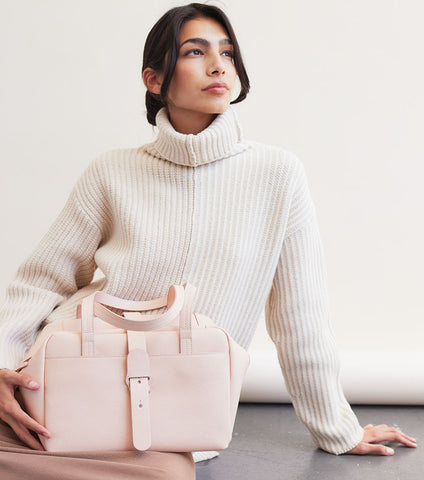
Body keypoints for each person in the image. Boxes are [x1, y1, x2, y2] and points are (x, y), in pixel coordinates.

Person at [0, 2, 417, 478]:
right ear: (154, 80)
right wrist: (3, 365)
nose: (219, 65)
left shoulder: (277, 175)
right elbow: (40, 282)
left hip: (182, 414)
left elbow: (301, 316)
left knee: (168, 471)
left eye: (228, 52)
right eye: (195, 52)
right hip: (70, 388)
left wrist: (337, 430)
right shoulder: (111, 171)